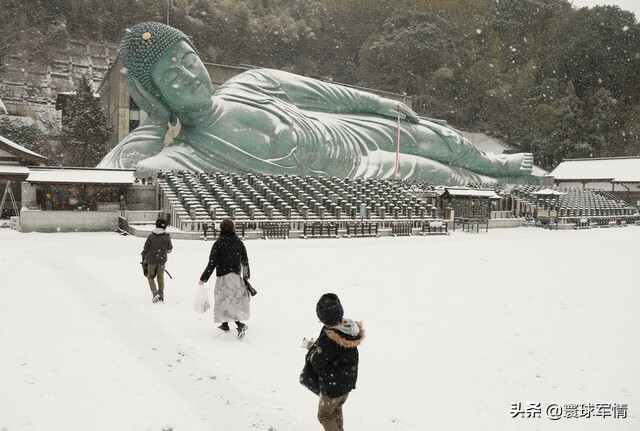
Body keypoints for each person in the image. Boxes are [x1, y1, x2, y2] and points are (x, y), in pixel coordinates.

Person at [97, 21, 535, 186]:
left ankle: (497, 166)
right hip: (353, 172)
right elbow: (123, 174)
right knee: (437, 173)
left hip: (346, 132)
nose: (191, 77)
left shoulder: (253, 82)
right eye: (172, 78)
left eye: (190, 61)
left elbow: (329, 93)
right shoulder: (189, 153)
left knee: (431, 137)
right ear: (155, 92)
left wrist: (382, 104)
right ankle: (502, 185)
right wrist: (154, 119)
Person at [305, 293, 364, 431]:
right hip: (347, 382)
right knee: (336, 409)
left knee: (324, 415)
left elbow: (317, 362)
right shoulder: (349, 329)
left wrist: (313, 349)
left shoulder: (330, 339)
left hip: (333, 386)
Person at [198, 218, 250, 339]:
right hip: (236, 277)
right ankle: (225, 324)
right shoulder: (238, 242)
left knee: (224, 301)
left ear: (221, 229)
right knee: (232, 300)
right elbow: (245, 260)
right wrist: (246, 277)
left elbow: (212, 263)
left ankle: (240, 325)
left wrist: (203, 278)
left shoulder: (218, 244)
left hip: (224, 277)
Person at [141, 218, 173, 303]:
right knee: (160, 278)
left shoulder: (151, 236)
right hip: (162, 260)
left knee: (150, 276)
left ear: (156, 226)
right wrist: (163, 250)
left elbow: (145, 248)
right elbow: (169, 249)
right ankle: (161, 295)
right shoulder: (167, 237)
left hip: (151, 260)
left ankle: (155, 293)